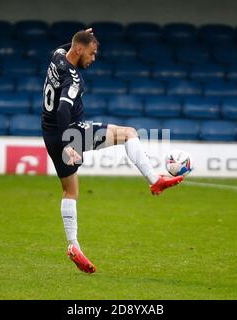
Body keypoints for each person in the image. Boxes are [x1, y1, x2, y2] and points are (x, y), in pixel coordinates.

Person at [42, 28, 183, 274]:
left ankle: (73, 246)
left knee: (70, 191)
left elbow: (69, 46)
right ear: (79, 49)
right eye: (92, 53)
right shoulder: (73, 78)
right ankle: (155, 180)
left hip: (49, 131)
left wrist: (80, 37)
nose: (94, 58)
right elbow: (64, 109)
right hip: (69, 131)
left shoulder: (57, 55)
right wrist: (69, 144)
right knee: (128, 133)